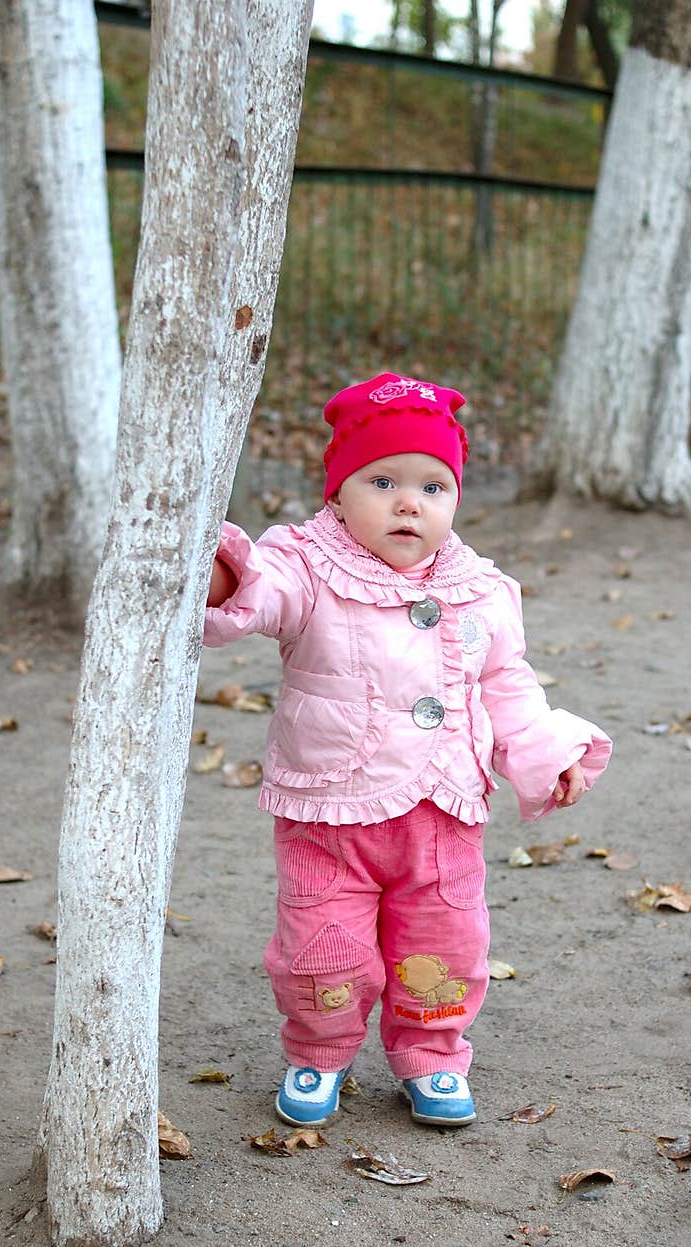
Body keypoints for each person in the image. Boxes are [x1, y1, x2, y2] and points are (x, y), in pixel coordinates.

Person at [204, 372, 612, 1129]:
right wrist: (223, 573)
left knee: (446, 943)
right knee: (322, 944)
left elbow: (509, 684)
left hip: (442, 812)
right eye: (382, 480)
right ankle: (317, 1050)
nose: (408, 503)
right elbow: (260, 592)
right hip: (330, 809)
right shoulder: (308, 564)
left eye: (433, 486)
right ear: (337, 493)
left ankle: (431, 1052)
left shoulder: (478, 588)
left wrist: (546, 752)